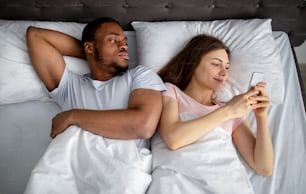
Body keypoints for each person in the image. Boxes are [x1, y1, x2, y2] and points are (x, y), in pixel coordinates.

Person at [24, 17, 165, 194]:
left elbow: (143, 125)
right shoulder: (70, 87)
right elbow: (36, 36)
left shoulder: (140, 76)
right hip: (73, 175)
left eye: (125, 42)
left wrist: (72, 116)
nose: (124, 46)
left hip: (120, 173)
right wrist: (92, 53)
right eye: (114, 40)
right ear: (89, 47)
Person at [146, 34, 274, 194]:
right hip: (178, 184)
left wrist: (261, 117)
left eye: (227, 67)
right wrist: (227, 111)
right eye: (216, 64)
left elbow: (264, 167)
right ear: (193, 64)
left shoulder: (232, 109)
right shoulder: (171, 92)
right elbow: (174, 139)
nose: (224, 73)